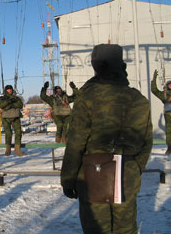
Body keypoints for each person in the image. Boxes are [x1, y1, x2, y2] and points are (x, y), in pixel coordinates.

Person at [61, 44, 153, 234]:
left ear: (96, 66)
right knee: (126, 229)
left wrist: (68, 179)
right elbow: (146, 141)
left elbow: (76, 143)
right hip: (126, 171)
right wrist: (135, 168)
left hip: (93, 172)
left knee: (97, 228)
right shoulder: (138, 99)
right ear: (121, 66)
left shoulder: (87, 98)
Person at [0, 85, 24, 156]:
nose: (9, 90)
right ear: (5, 90)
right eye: (8, 89)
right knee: (8, 133)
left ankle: (17, 149)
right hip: (5, 118)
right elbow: (1, 105)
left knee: (18, 132)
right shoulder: (2, 98)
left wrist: (10, 105)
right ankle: (8, 149)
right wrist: (10, 101)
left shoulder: (16, 97)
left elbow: (20, 105)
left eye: (10, 89)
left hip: (15, 117)